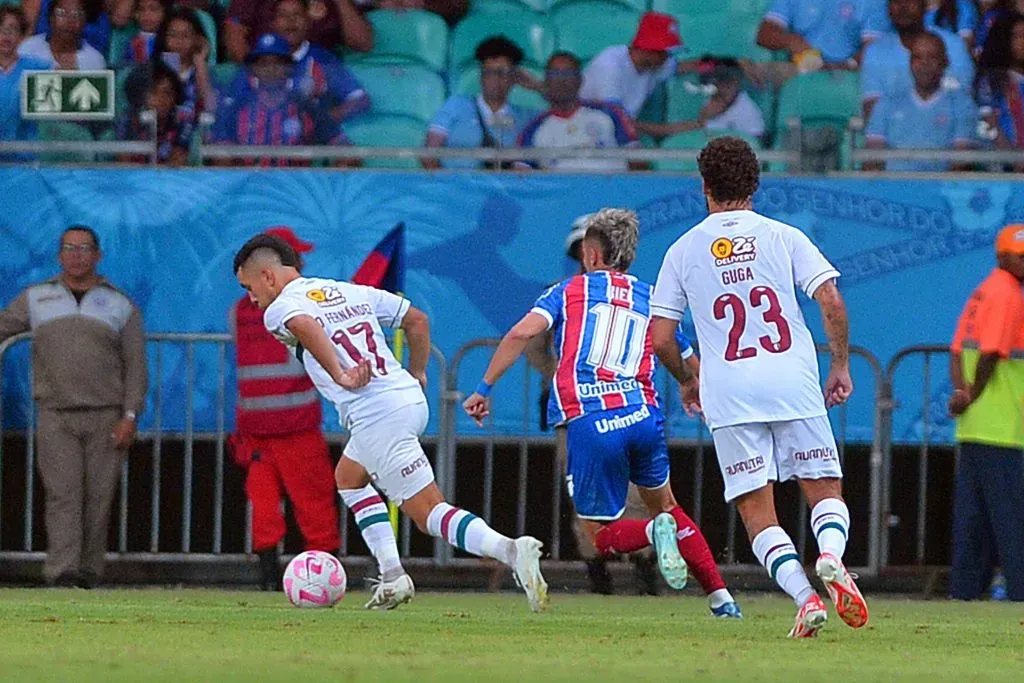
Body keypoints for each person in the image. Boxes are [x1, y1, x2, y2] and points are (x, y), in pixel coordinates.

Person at [233, 232, 549, 612]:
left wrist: (340, 374)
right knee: (348, 477)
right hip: (405, 398)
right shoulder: (349, 290)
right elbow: (417, 320)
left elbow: (305, 325)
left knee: (427, 512)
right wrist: (417, 371)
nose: (251, 298)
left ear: (268, 276)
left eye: (248, 287)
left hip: (377, 413)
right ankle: (393, 575)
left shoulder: (278, 308)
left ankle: (511, 551)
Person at [463, 209, 742, 619]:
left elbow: (523, 333)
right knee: (669, 506)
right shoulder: (651, 297)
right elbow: (685, 358)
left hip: (591, 418)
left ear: (592, 255)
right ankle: (722, 600)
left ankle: (651, 533)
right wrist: (694, 387)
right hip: (643, 416)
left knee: (600, 532)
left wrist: (484, 388)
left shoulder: (566, 291)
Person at [648, 136, 866, 638]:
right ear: (755, 184)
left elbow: (661, 339)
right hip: (792, 380)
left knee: (755, 509)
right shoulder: (782, 236)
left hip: (730, 392)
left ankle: (806, 598)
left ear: (704, 186)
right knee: (823, 489)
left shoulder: (683, 251)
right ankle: (831, 557)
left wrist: (689, 379)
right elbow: (830, 299)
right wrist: (840, 365)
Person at [0, 225, 147, 588]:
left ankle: (88, 572)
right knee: (62, 495)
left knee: (98, 498)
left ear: (97, 255)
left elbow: (136, 366)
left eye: (84, 249)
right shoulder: (36, 297)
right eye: (69, 248)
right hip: (55, 414)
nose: (76, 255)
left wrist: (130, 415)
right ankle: (62, 572)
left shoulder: (120, 303)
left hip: (106, 415)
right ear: (58, 255)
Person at [229, 227, 341, 591]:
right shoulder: (302, 305)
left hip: (259, 429)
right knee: (314, 508)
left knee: (266, 510)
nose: (301, 264)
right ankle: (325, 579)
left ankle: (268, 582)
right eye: (294, 257)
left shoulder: (241, 311)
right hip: (294, 426)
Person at [947, 224, 1024, 602]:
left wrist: (961, 394)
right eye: (1021, 257)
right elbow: (992, 353)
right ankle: (1019, 594)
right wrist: (973, 395)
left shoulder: (981, 292)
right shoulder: (1009, 294)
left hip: (973, 428)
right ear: (1003, 256)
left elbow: (958, 349)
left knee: (972, 524)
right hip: (1004, 426)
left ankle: (963, 595)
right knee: (1012, 523)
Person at [212, 33, 349, 167]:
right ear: (253, 69)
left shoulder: (307, 107)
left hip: (296, 186)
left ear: (290, 68)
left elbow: (345, 149)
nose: (271, 69)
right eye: (263, 64)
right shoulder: (236, 108)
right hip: (249, 186)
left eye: (278, 63)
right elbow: (221, 156)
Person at [864, 32, 978, 172]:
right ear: (910, 63)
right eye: (917, 57)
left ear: (945, 61)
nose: (924, 64)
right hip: (892, 189)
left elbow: (960, 165)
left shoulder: (962, 105)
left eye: (932, 57)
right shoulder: (887, 104)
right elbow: (872, 161)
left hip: (941, 190)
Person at [423, 35, 536, 170]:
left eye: (502, 73)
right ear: (481, 76)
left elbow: (562, 111)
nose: (496, 79)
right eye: (490, 72)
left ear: (514, 77)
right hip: (456, 186)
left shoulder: (526, 117)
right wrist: (449, 187)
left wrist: (537, 86)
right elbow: (428, 155)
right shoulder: (456, 105)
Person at [517, 52, 641, 172]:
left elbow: (638, 161)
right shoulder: (532, 130)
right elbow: (521, 178)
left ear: (580, 80)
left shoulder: (610, 113)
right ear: (546, 81)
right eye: (555, 74)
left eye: (568, 73)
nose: (561, 80)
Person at [861, 0, 975, 120]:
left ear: (924, 5)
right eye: (896, 2)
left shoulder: (953, 45)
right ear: (888, 9)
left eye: (910, 1)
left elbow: (963, 103)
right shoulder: (875, 51)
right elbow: (873, 111)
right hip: (895, 135)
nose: (903, 7)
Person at [272, 0, 370, 123]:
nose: (291, 21)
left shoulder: (323, 59)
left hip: (311, 138)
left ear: (308, 22)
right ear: (273, 24)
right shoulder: (260, 61)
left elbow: (360, 99)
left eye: (297, 14)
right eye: (283, 15)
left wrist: (326, 118)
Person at [756, 0, 888, 74]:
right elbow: (764, 34)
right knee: (756, 74)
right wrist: (789, 40)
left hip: (851, 72)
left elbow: (873, 48)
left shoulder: (875, 2)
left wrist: (845, 66)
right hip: (801, 68)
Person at [225, 0, 372, 63]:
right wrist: (259, 76)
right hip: (267, 71)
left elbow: (363, 43)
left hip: (317, 76)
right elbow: (234, 38)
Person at [116, 60, 195, 165]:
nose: (161, 99)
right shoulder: (128, 120)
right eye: (154, 92)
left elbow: (176, 162)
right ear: (141, 95)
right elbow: (125, 164)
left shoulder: (182, 120)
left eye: (167, 92)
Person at [0, 6, 49, 155]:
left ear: (22, 35)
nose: (5, 35)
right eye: (0, 29)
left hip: (26, 159)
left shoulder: (38, 68)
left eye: (13, 29)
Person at [976, 13, 1024, 152]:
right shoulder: (990, 82)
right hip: (1003, 165)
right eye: (1018, 36)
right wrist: (1013, 159)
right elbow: (987, 123)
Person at [18, 0, 107, 70]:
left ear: (85, 21)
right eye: (61, 13)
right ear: (50, 18)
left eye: (76, 14)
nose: (69, 20)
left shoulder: (95, 60)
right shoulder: (27, 50)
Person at [119, 0, 172, 66]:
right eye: (141, 9)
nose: (146, 14)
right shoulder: (129, 40)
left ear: (164, 12)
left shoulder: (170, 40)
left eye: (153, 9)